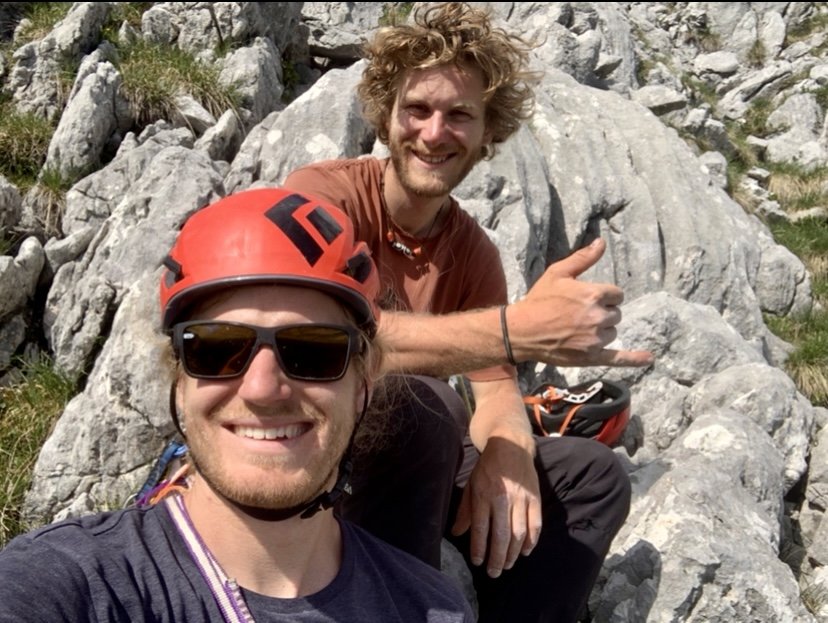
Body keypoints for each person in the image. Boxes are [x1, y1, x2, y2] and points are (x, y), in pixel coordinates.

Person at [283, 3, 654, 621]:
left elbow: (496, 386)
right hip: (315, 453)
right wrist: (515, 329)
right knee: (427, 404)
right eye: (417, 110)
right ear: (386, 116)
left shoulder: (472, 251)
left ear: (487, 136)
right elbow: (317, 338)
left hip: (420, 467)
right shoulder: (325, 198)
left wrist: (510, 450)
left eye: (460, 115)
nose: (434, 133)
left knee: (590, 474)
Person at [0, 188, 475, 622]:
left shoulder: (432, 609)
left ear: (362, 386)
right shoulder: (67, 584)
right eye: (217, 349)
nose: (262, 388)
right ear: (179, 381)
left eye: (313, 351)